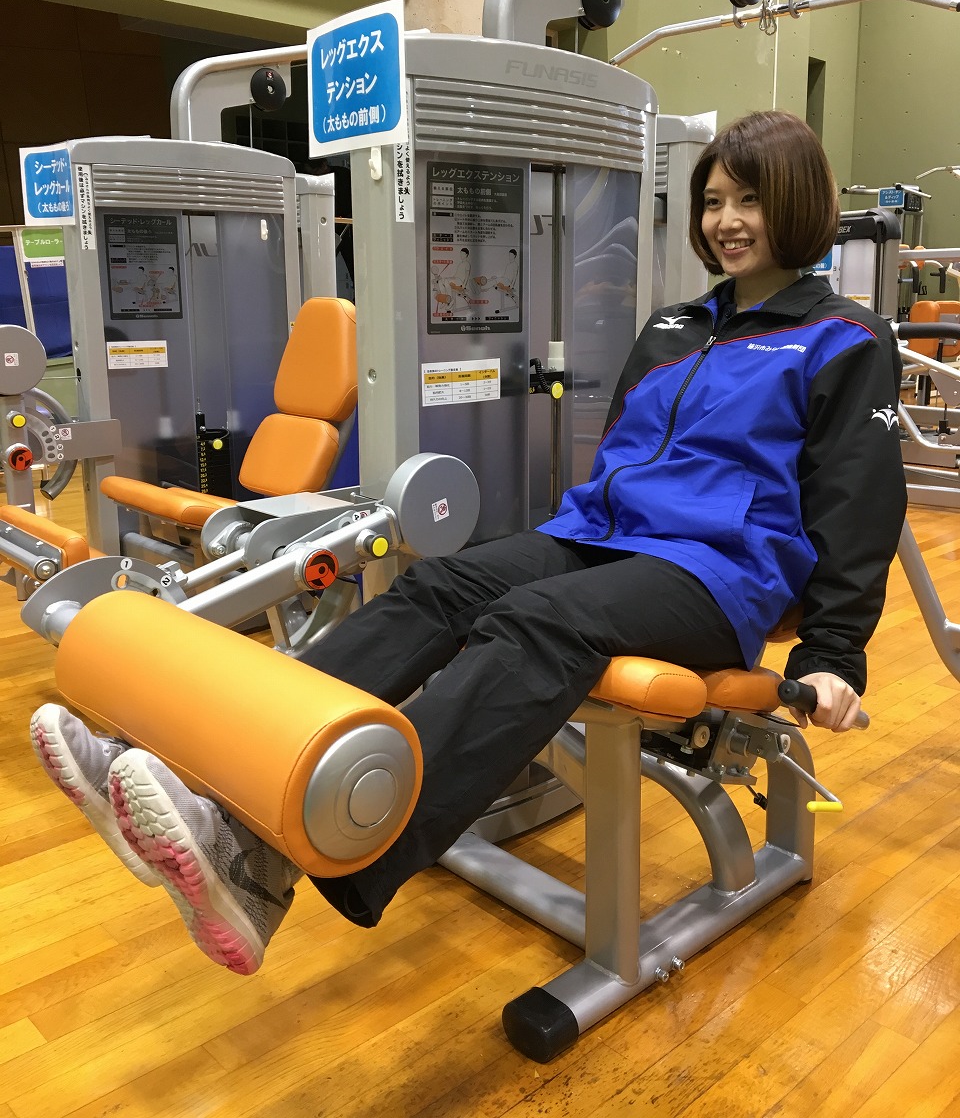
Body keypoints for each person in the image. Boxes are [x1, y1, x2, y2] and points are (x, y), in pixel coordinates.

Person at [30, 110, 907, 976]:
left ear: (796, 203)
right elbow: (626, 452)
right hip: (606, 534)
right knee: (438, 585)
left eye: (748, 200)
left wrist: (836, 655)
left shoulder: (845, 339)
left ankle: (297, 857)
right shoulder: (676, 328)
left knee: (539, 620)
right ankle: (212, 781)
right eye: (713, 201)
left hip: (718, 573)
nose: (726, 221)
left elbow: (858, 500)